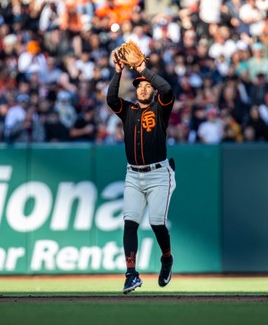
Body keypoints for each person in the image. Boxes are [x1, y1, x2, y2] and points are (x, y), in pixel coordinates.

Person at [106, 50, 176, 294]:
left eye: (146, 85)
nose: (143, 88)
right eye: (139, 86)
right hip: (133, 175)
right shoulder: (129, 111)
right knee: (130, 223)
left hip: (159, 174)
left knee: (157, 222)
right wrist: (118, 72)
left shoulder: (161, 108)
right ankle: (131, 274)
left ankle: (166, 258)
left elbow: (167, 89)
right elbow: (111, 100)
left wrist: (142, 69)